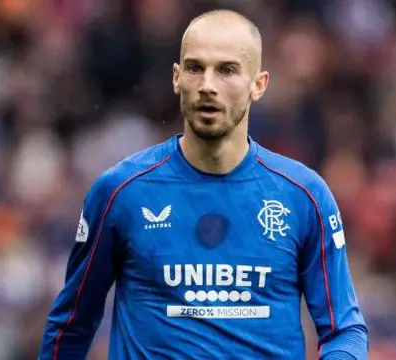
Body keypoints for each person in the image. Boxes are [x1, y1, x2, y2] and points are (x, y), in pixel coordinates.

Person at [38, 9, 368, 360]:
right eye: (196, 68)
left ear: (259, 84)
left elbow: (344, 330)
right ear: (177, 78)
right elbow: (71, 325)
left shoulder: (304, 197)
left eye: (227, 70)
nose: (208, 85)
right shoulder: (120, 192)